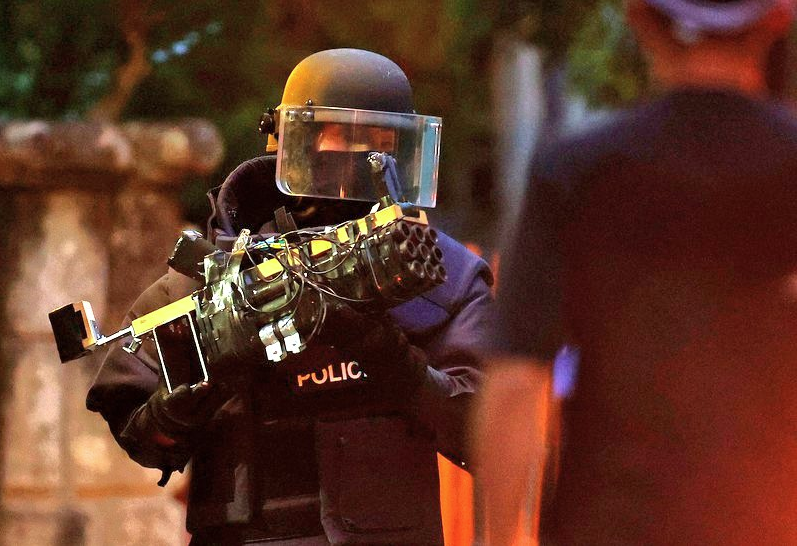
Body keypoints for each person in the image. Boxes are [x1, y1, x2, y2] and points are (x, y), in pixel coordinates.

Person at [87, 48, 493, 545]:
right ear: (293, 140)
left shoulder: (435, 270)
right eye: (341, 134)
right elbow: (136, 424)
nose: (363, 158)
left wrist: (389, 358)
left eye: (382, 142)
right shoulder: (224, 266)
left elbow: (484, 431)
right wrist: (183, 405)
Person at [475, 0, 797, 544]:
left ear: (640, 18)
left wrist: (502, 537)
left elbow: (517, 380)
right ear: (777, 19)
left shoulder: (574, 172)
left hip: (609, 524)